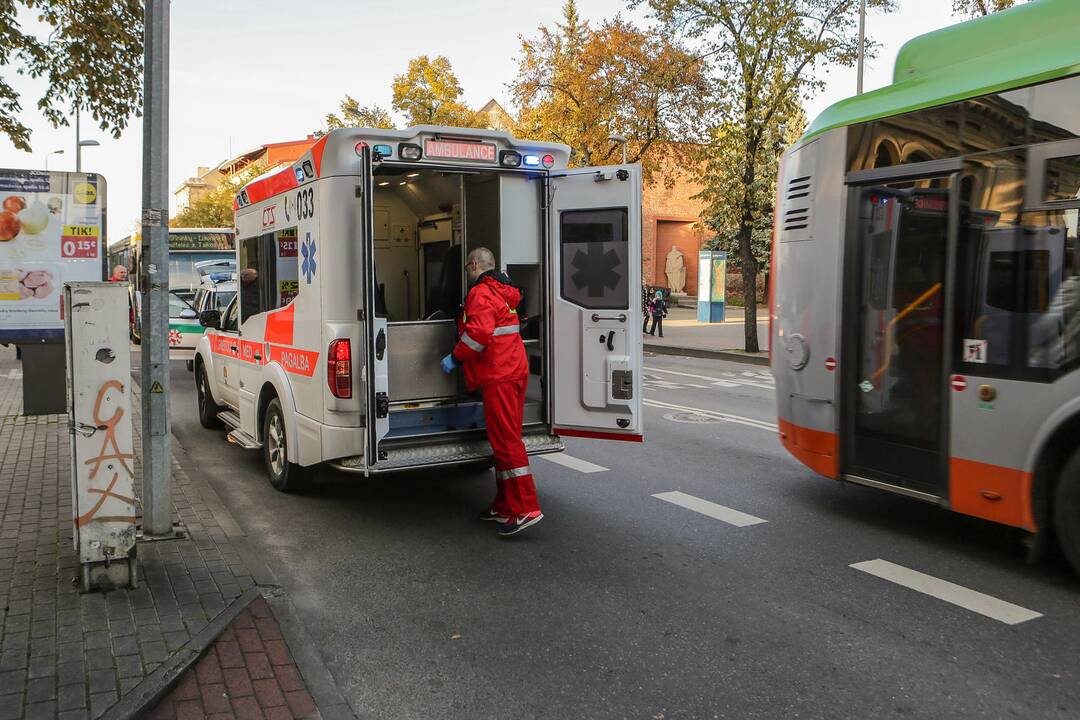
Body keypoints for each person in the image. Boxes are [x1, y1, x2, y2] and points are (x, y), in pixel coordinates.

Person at [441, 247, 542, 537]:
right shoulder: (504, 291)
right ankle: (505, 505)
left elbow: (478, 335)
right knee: (502, 440)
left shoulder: (480, 293)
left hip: (499, 374)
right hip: (512, 370)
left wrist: (456, 358)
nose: (466, 274)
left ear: (474, 265)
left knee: (507, 441)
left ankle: (525, 507)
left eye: (466, 268)